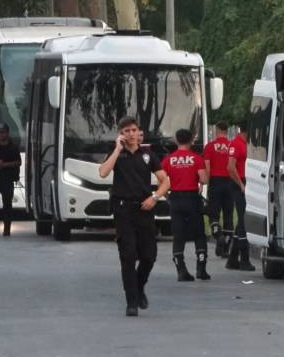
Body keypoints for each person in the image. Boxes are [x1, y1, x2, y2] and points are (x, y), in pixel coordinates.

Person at [98, 117, 170, 317]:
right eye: (126, 131)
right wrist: (116, 150)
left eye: (134, 130)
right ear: (121, 134)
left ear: (139, 132)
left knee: (149, 256)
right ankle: (131, 301)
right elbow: (103, 172)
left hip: (145, 209)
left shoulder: (148, 155)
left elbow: (165, 181)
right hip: (123, 211)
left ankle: (139, 287)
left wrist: (154, 197)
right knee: (128, 256)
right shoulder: (117, 155)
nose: (131, 134)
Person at [162, 128, 209, 281]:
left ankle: (181, 269)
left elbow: (161, 181)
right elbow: (204, 179)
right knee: (199, 234)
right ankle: (201, 268)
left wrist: (168, 197)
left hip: (175, 198)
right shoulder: (196, 158)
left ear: (176, 140)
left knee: (178, 235)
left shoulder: (168, 159)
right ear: (191, 141)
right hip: (192, 198)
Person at [225, 122, 254, 271]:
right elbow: (230, 167)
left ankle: (232, 258)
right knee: (243, 220)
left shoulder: (246, 144)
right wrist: (241, 185)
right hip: (238, 183)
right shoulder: (236, 144)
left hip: (246, 182)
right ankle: (244, 258)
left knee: (241, 222)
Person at [203, 121, 234, 258]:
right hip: (230, 182)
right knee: (228, 215)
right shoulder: (232, 146)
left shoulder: (209, 147)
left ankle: (218, 234)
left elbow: (207, 167)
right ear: (227, 131)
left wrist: (208, 183)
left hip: (216, 181)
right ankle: (225, 247)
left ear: (217, 130)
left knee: (213, 213)